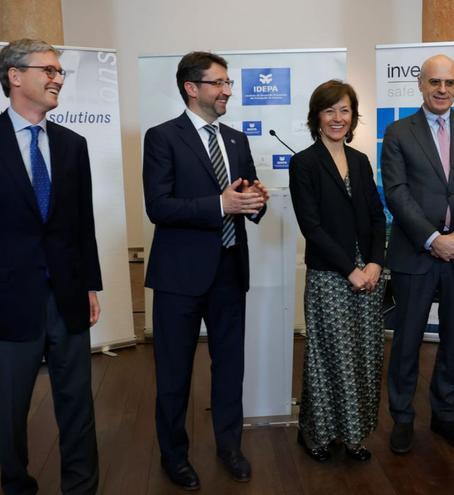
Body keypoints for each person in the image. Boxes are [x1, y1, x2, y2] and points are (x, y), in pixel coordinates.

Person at [0, 39, 102, 495]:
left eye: (60, 72)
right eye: (48, 70)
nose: (57, 78)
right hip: (1, 304)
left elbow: (80, 224)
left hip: (66, 299)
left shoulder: (73, 145)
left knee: (77, 408)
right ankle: (17, 486)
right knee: (10, 412)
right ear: (14, 75)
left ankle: (82, 489)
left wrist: (90, 284)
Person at [143, 51, 269, 490]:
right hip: (179, 278)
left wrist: (255, 201)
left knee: (230, 366)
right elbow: (158, 207)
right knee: (174, 372)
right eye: (218, 83)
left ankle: (229, 447)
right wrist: (221, 204)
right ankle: (174, 456)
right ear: (191, 88)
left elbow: (245, 196)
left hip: (230, 271)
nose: (227, 91)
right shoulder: (162, 138)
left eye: (228, 83)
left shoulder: (236, 139)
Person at [381, 54, 454, 454]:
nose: (442, 89)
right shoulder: (398, 131)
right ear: (420, 83)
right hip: (416, 254)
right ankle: (402, 419)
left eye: (449, 82)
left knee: (453, 341)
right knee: (407, 341)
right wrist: (433, 238)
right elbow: (396, 193)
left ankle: (445, 416)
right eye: (435, 82)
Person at [288, 80, 387, 463]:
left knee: (363, 356)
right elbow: (311, 226)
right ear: (317, 117)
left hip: (371, 275)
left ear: (353, 116)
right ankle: (318, 436)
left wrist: (376, 262)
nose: (337, 118)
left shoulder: (361, 161)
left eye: (344, 110)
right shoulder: (304, 163)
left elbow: (378, 217)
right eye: (329, 110)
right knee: (329, 356)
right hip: (332, 274)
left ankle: (355, 436)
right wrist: (351, 270)